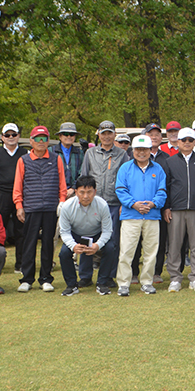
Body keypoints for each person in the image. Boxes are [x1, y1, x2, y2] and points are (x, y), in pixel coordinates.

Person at [13, 125, 67, 293]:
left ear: (48, 141)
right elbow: (18, 185)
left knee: (48, 244)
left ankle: (46, 278)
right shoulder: (23, 160)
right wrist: (19, 205)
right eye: (37, 138)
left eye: (44, 138)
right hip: (31, 207)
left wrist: (62, 202)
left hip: (51, 207)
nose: (41, 142)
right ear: (31, 141)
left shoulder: (56, 158)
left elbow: (62, 183)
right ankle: (27, 279)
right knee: (28, 244)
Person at [79, 120, 130, 290]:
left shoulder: (122, 155)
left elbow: (126, 180)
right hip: (91, 204)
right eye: (103, 133)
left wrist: (124, 202)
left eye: (110, 133)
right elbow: (84, 177)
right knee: (87, 239)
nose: (107, 136)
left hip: (113, 203)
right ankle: (85, 276)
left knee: (112, 242)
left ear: (114, 135)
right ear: (98, 135)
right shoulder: (90, 153)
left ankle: (107, 276)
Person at [115, 135, 167, 297]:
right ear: (133, 151)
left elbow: (162, 191)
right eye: (138, 149)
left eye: (145, 149)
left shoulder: (158, 169)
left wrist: (153, 204)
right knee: (126, 251)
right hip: (131, 215)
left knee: (151, 252)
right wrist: (133, 204)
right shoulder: (125, 168)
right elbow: (120, 190)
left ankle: (147, 282)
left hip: (152, 215)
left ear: (150, 150)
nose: (141, 153)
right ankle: (123, 283)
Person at [163, 127, 195, 292]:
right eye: (184, 140)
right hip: (176, 209)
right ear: (178, 142)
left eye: (191, 140)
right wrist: (167, 207)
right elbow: (166, 186)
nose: (188, 143)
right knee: (175, 245)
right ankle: (175, 278)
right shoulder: (170, 162)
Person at [0, 123, 28, 274]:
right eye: (7, 135)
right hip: (0, 195)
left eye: (13, 135)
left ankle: (20, 263)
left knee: (21, 230)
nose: (10, 138)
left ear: (18, 136)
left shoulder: (25, 153)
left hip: (20, 196)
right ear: (2, 137)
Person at [58, 175, 114, 296]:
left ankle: (102, 283)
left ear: (95, 192)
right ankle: (72, 285)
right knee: (64, 253)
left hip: (96, 233)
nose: (86, 196)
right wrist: (73, 246)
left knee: (111, 248)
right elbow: (64, 231)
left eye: (89, 192)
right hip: (76, 234)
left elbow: (107, 231)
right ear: (76, 192)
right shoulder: (67, 206)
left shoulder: (102, 205)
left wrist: (97, 245)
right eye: (82, 192)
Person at [134, 122, 170, 285]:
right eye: (151, 133)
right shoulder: (133, 157)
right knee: (135, 242)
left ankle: (156, 272)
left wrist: (164, 205)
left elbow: (167, 185)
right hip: (135, 208)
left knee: (159, 241)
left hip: (158, 207)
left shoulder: (166, 158)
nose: (154, 136)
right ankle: (134, 272)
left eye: (157, 134)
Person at [50, 122, 84, 198]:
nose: (69, 136)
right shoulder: (51, 151)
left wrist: (73, 188)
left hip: (74, 194)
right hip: (55, 194)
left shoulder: (80, 153)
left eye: (72, 134)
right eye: (66, 134)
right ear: (60, 136)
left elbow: (82, 173)